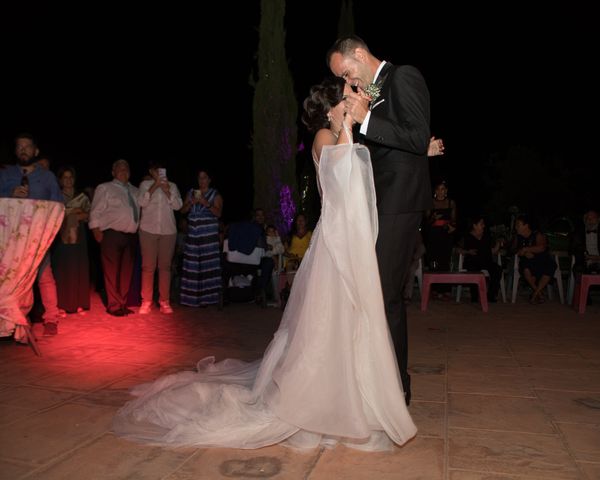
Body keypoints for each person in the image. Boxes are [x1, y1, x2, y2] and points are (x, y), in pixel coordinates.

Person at [113, 76, 416, 451]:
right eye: (349, 95)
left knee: (357, 321)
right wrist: (349, 129)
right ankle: (325, 402)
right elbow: (344, 185)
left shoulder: (345, 135)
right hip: (337, 243)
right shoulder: (325, 137)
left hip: (353, 242)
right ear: (333, 106)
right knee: (331, 323)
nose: (356, 97)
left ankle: (359, 396)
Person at [328, 35, 431, 405]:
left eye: (347, 71)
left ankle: (396, 389)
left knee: (385, 295)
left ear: (359, 53)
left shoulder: (403, 76)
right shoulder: (373, 86)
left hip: (401, 200)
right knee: (378, 293)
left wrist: (366, 118)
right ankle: (383, 381)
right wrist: (349, 119)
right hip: (379, 200)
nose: (348, 80)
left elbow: (416, 135)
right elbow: (393, 139)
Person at [0, 133, 64, 335]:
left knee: (45, 277)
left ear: (35, 150)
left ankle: (51, 318)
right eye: (19, 146)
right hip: (10, 240)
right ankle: (13, 322)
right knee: (12, 280)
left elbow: (58, 206)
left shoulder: (47, 177)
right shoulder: (4, 173)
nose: (23, 150)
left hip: (37, 239)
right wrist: (9, 195)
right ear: (15, 151)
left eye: (27, 146)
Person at [89, 159, 140, 317]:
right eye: (120, 169)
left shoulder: (135, 190)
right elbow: (95, 210)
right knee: (111, 271)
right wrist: (96, 230)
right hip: (111, 234)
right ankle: (113, 305)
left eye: (126, 168)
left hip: (131, 235)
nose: (124, 171)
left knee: (126, 272)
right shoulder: (105, 188)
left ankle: (122, 303)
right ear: (113, 172)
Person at [137, 162, 183, 314]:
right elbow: (141, 202)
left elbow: (178, 206)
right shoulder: (145, 184)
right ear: (151, 171)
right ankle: (146, 301)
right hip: (148, 229)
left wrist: (167, 190)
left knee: (165, 267)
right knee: (148, 267)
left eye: (161, 170)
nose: (158, 172)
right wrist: (155, 186)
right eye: (155, 170)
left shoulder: (172, 185)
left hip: (168, 231)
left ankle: (164, 301)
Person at [179, 170, 223, 307]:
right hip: (193, 234)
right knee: (192, 265)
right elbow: (182, 211)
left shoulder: (215, 194)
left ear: (209, 180)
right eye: (199, 178)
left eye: (204, 178)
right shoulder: (191, 192)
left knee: (208, 265)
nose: (201, 180)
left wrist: (207, 204)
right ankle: (190, 299)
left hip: (208, 236)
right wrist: (190, 203)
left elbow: (218, 213)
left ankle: (209, 299)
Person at [51, 166, 91, 314]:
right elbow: (54, 215)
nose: (68, 180)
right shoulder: (56, 196)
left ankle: (79, 303)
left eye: (70, 177)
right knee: (62, 270)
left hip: (79, 237)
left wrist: (77, 215)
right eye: (65, 177)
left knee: (78, 268)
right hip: (61, 237)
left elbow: (89, 214)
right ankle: (62, 305)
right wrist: (72, 214)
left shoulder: (82, 196)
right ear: (60, 180)